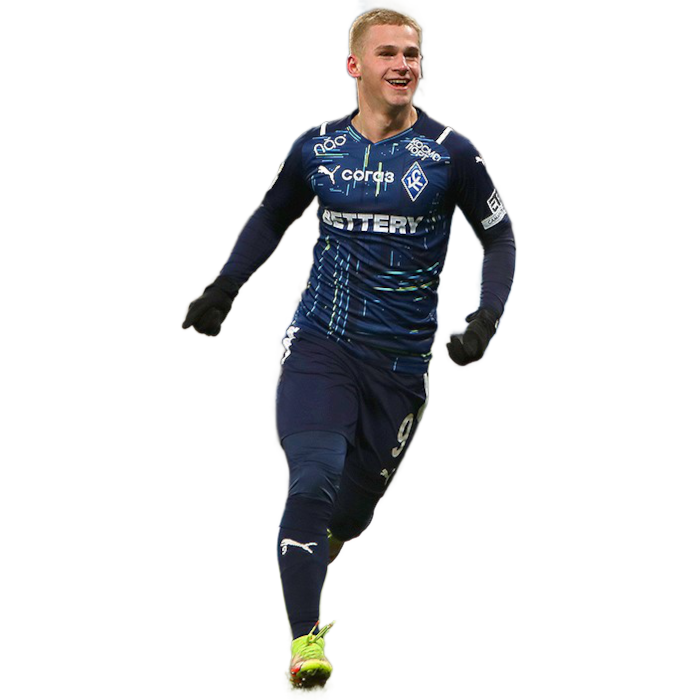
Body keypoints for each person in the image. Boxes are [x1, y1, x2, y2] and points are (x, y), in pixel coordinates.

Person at [181, 8, 517, 690]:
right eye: (388, 53)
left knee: (351, 518)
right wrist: (222, 289)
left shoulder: (451, 153)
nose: (404, 65)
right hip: (319, 344)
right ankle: (305, 643)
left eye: (413, 54)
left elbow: (500, 239)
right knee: (312, 478)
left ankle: (315, 553)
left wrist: (482, 322)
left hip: (400, 369)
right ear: (354, 65)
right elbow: (271, 215)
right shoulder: (317, 148)